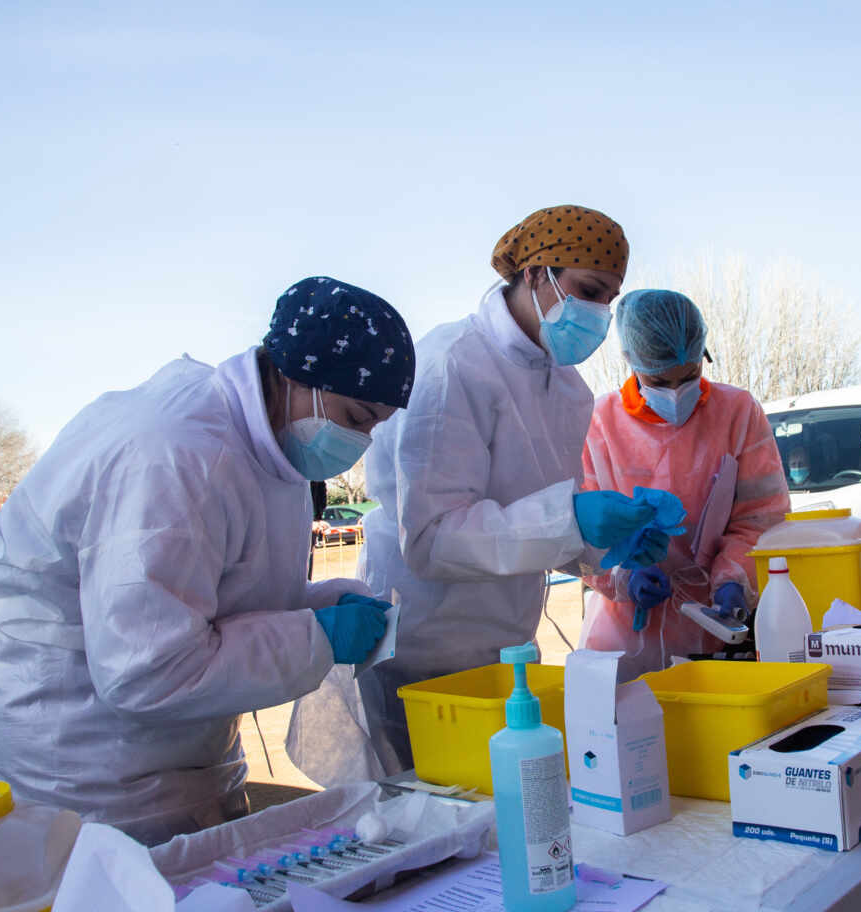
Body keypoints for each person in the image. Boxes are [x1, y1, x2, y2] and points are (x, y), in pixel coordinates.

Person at [0, 277, 415, 845]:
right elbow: (148, 669)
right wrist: (316, 636)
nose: (360, 439)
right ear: (297, 375)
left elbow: (217, 601)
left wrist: (324, 603)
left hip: (178, 767)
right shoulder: (172, 456)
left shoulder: (273, 447)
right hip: (81, 778)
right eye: (357, 415)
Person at [289, 205, 677, 777]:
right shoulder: (453, 365)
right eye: (588, 291)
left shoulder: (567, 392)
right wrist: (571, 520)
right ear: (534, 273)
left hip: (509, 656)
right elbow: (431, 539)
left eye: (608, 301)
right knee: (439, 832)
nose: (598, 315)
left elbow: (532, 528)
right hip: (425, 662)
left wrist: (605, 546)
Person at [579, 289, 791, 680]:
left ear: (702, 356)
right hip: (621, 640)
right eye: (659, 380)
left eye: (689, 376)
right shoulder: (599, 424)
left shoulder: (738, 413)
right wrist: (623, 575)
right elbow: (580, 536)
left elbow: (762, 519)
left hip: (711, 628)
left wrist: (735, 579)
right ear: (630, 361)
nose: (676, 393)